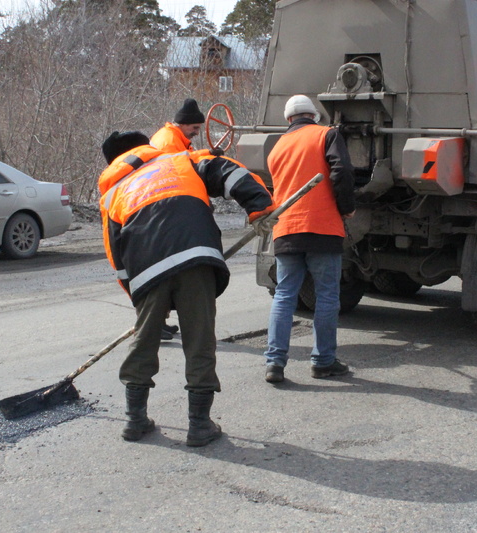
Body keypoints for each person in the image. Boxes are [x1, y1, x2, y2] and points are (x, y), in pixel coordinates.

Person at [98, 130, 274, 446]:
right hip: (196, 254)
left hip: (146, 270)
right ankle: (199, 425)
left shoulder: (112, 195)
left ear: (114, 162)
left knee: (145, 339)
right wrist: (258, 206)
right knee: (199, 339)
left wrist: (139, 298)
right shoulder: (181, 160)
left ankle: (134, 420)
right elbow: (228, 170)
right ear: (145, 148)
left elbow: (117, 259)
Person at [263, 95, 356, 384]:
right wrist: (347, 207)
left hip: (286, 229)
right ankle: (323, 361)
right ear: (313, 116)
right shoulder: (326, 134)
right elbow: (342, 171)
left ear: (288, 119)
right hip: (322, 227)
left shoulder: (277, 148)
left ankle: (274, 363)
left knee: (284, 295)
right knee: (327, 295)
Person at [150, 98, 220, 339]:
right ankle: (154, 322)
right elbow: (177, 171)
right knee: (167, 270)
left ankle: (160, 319)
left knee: (170, 269)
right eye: (195, 128)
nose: (197, 132)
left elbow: (186, 161)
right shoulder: (168, 141)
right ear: (183, 123)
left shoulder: (178, 140)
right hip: (167, 211)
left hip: (169, 211)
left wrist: (205, 154)